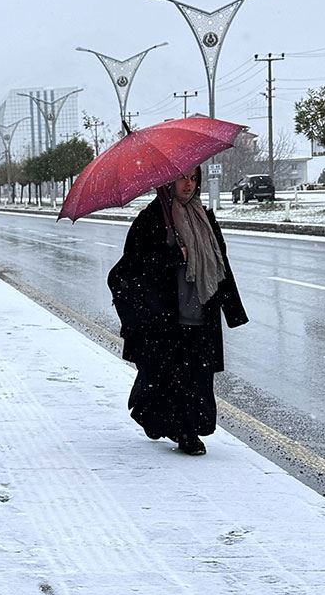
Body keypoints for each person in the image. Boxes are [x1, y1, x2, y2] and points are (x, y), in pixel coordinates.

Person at [106, 168, 248, 455]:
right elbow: (131, 268)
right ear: (169, 182)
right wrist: (171, 256)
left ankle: (180, 423)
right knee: (172, 375)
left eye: (194, 178)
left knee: (197, 376)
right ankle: (184, 433)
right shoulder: (152, 219)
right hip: (166, 317)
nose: (189, 184)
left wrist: (232, 310)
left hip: (202, 313)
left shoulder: (205, 218)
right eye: (183, 178)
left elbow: (221, 265)